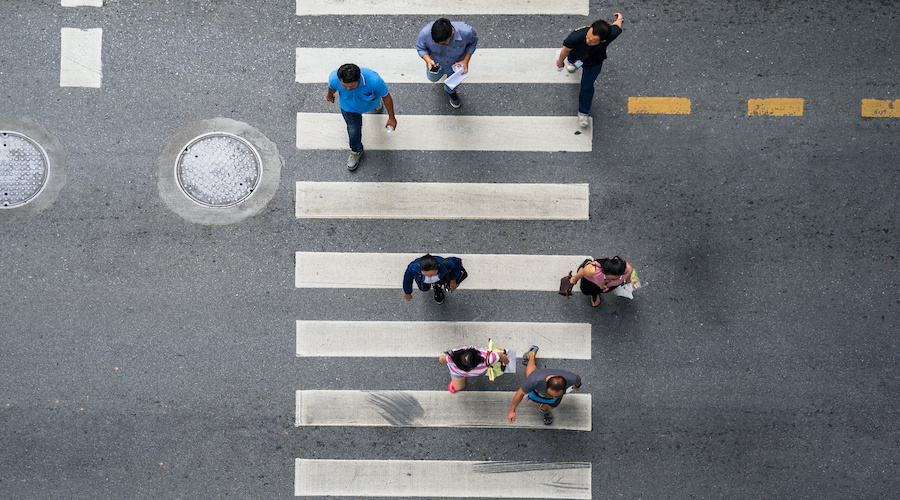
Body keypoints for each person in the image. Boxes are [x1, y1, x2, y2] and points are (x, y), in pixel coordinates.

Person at [555, 13, 624, 128]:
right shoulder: (576, 37)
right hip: (576, 55)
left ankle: (583, 112)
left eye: (592, 41)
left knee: (587, 87)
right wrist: (560, 60)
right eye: (588, 36)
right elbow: (566, 49)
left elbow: (617, 26)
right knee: (571, 60)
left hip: (594, 62)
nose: (588, 40)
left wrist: (620, 18)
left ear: (603, 41)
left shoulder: (610, 35)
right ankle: (571, 63)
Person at [325, 63, 398, 170]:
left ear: (359, 79)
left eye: (352, 86)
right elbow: (331, 87)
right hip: (349, 108)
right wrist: (330, 95)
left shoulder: (375, 81)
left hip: (371, 103)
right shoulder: (334, 78)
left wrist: (391, 117)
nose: (348, 88)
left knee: (375, 100)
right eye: (344, 86)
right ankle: (356, 150)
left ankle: (377, 105)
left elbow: (386, 97)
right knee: (353, 130)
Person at [508, 346, 581, 426]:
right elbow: (520, 394)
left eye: (558, 395)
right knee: (530, 375)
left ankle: (543, 409)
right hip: (536, 384)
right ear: (546, 385)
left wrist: (577, 386)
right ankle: (531, 355)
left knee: (553, 405)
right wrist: (512, 410)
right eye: (551, 394)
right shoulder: (535, 380)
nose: (553, 397)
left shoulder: (573, 378)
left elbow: (578, 381)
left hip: (539, 383)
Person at [415, 18, 478, 109]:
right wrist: (428, 60)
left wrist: (465, 61)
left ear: (452, 33)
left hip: (456, 64)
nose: (440, 45)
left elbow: (472, 44)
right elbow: (420, 48)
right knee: (433, 78)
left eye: (443, 43)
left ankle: (450, 91)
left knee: (454, 82)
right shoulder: (425, 34)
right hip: (436, 63)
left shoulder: (467, 32)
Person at [439, 346, 510, 393]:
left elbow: (501, 355)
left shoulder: (487, 358)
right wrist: (507, 363)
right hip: (456, 373)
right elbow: (442, 359)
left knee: (457, 387)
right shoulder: (450, 358)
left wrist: (507, 362)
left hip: (457, 373)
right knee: (458, 388)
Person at [402, 253, 467, 305]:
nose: (430, 277)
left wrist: (453, 279)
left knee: (438, 284)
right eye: (426, 275)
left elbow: (457, 262)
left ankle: (437, 288)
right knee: (424, 288)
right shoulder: (411, 268)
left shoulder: (447, 263)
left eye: (432, 274)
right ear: (419, 267)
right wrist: (408, 292)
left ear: (438, 266)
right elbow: (407, 280)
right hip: (424, 281)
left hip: (440, 279)